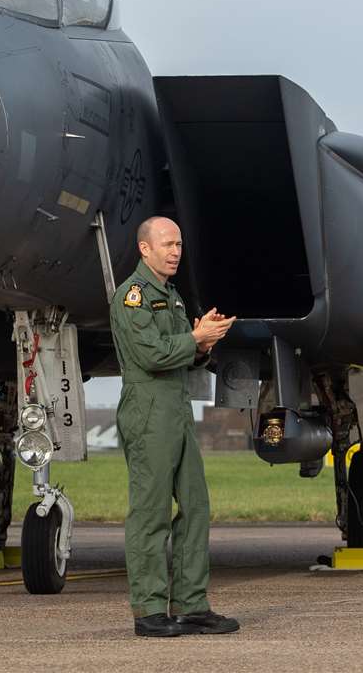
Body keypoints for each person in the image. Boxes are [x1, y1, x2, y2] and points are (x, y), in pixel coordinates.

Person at [109, 215, 239, 637]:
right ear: (144, 249)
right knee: (151, 513)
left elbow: (182, 352)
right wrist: (195, 340)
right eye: (167, 244)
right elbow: (150, 355)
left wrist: (205, 343)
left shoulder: (173, 296)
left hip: (176, 407)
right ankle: (148, 610)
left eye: (179, 244)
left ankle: (190, 605)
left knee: (196, 506)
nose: (175, 251)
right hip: (148, 408)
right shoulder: (132, 296)